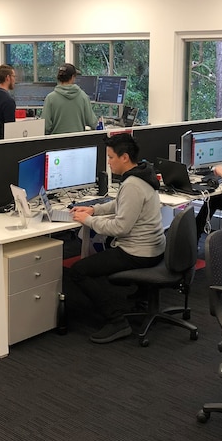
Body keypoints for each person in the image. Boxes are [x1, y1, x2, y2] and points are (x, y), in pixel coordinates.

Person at [69, 133, 165, 343]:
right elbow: (120, 204)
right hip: (154, 247)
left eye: (111, 157)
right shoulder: (141, 174)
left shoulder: (132, 184)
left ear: (124, 157)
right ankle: (133, 300)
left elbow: (121, 227)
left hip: (138, 252)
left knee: (79, 271)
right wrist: (94, 210)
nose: (109, 162)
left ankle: (117, 321)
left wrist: (87, 220)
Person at [43, 63, 97, 134]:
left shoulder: (50, 98)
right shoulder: (83, 96)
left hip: (56, 142)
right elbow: (93, 123)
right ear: (73, 77)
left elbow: (46, 127)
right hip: (78, 142)